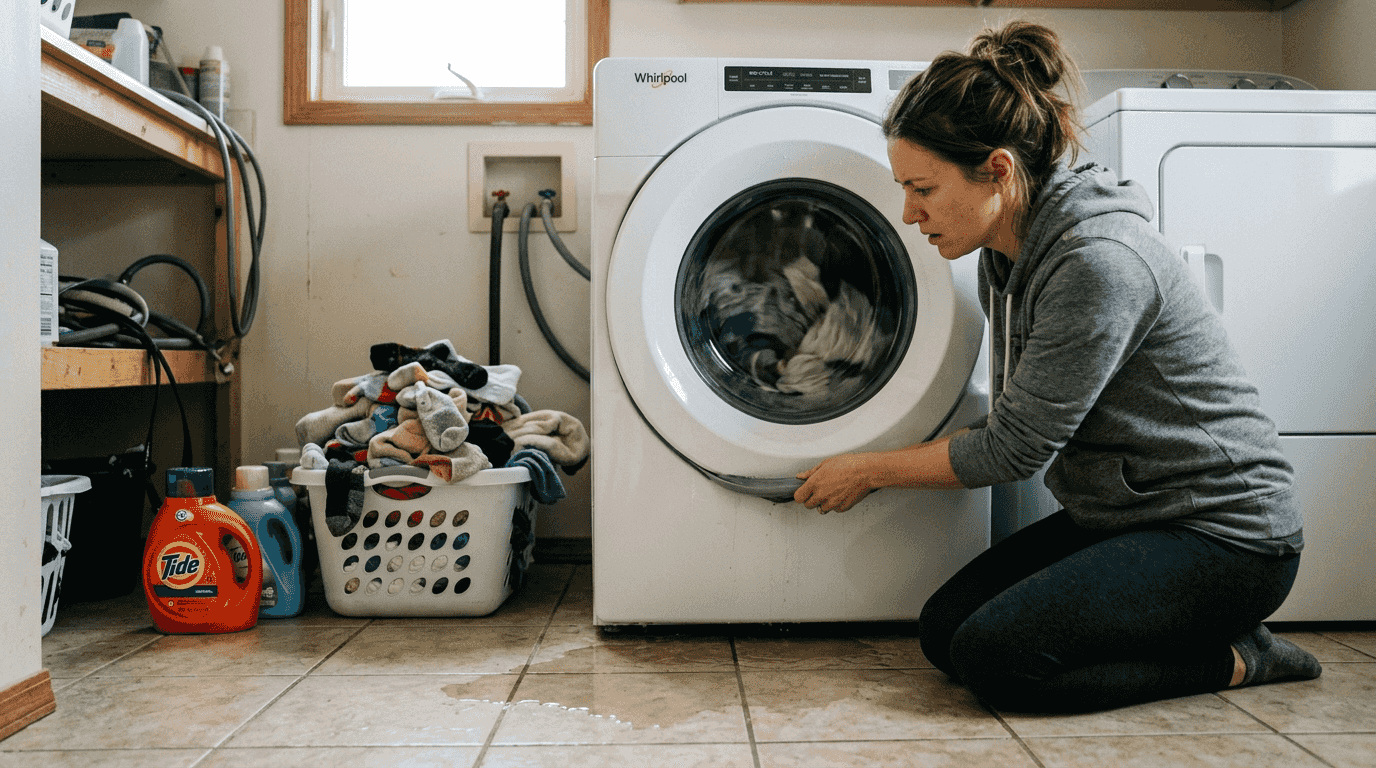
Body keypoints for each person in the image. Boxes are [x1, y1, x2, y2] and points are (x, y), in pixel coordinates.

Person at [791, 20, 1322, 713]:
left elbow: (1014, 450)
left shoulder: (1098, 262)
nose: (909, 212)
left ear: (999, 170)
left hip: (1227, 537)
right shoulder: (1005, 250)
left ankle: (1240, 655)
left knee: (997, 661)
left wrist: (867, 469)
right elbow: (1018, 415)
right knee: (945, 632)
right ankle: (1178, 626)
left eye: (923, 188)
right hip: (1127, 514)